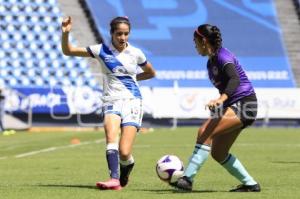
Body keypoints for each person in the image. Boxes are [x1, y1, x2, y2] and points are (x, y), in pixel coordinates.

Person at [61, 16, 156, 190]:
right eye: (119, 33)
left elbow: (151, 72)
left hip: (133, 101)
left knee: (125, 152)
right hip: (111, 100)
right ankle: (114, 179)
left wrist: (133, 78)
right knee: (111, 138)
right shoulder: (100, 50)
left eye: (126, 34)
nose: (123, 37)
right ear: (111, 33)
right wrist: (65, 34)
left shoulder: (136, 53)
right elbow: (69, 51)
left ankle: (126, 170)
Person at [172, 24, 261, 192]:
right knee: (218, 153)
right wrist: (221, 105)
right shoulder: (211, 61)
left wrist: (222, 98)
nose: (195, 45)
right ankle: (251, 184)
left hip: (245, 104)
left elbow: (234, 79)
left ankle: (187, 179)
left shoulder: (222, 56)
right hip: (235, 105)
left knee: (204, 131)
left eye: (195, 41)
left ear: (204, 41)